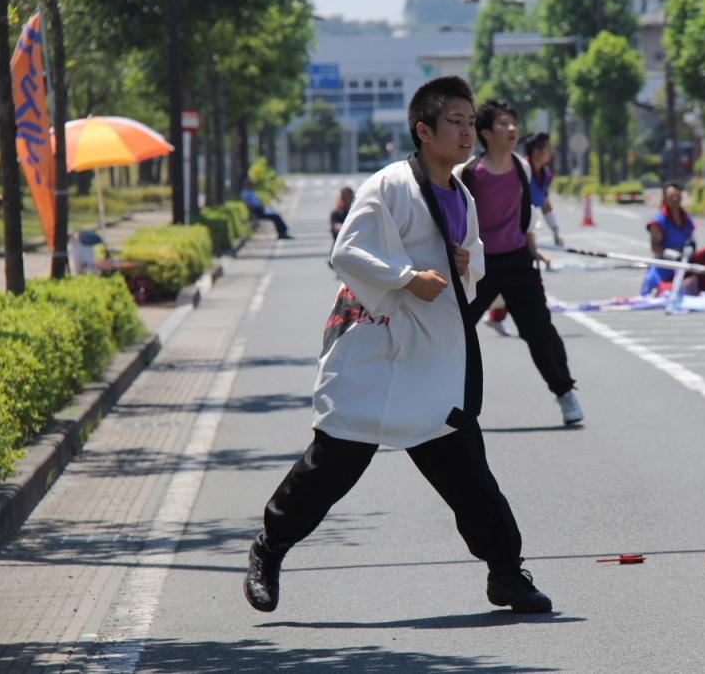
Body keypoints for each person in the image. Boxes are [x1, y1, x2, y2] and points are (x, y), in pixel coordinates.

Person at [243, 76, 553, 615]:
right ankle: (269, 549)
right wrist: (409, 277)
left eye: (468, 121)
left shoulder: (462, 194)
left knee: (472, 480)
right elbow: (349, 252)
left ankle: (506, 573)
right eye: (454, 122)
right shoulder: (388, 185)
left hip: (429, 363)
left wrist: (464, 265)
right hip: (375, 352)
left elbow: (474, 259)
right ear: (424, 130)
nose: (466, 132)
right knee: (329, 469)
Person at [457, 99, 583, 425]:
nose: (511, 129)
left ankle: (565, 392)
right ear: (485, 132)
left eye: (513, 122)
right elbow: (455, 222)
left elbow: (526, 216)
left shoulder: (522, 167)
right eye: (502, 123)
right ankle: (441, 400)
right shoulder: (468, 173)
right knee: (453, 332)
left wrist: (533, 248)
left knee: (540, 331)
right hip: (479, 265)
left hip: (517, 262)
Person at [484, 132, 562, 337]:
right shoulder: (517, 170)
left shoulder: (544, 174)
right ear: (537, 152)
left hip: (526, 229)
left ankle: (497, 317)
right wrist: (532, 246)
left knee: (515, 281)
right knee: (517, 281)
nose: (551, 154)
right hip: (510, 233)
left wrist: (555, 230)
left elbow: (543, 203)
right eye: (548, 150)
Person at [639, 181, 705, 296]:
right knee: (668, 291)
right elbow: (655, 248)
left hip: (685, 261)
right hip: (667, 267)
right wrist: (670, 253)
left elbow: (690, 239)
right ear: (665, 199)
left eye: (677, 196)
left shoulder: (686, 218)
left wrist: (690, 249)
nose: (675, 199)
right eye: (671, 197)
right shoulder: (659, 221)